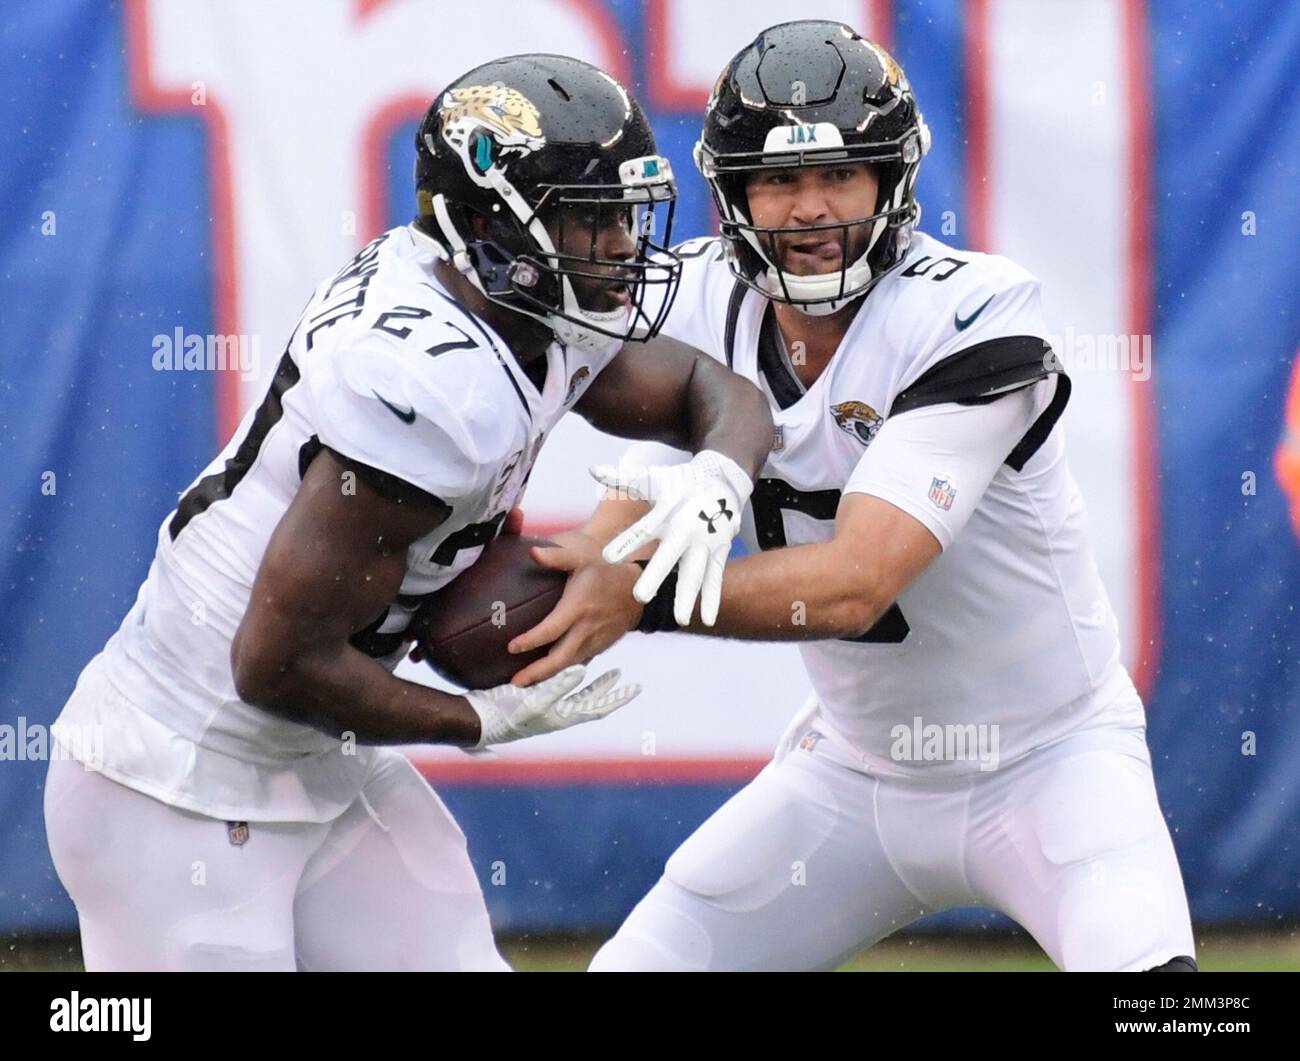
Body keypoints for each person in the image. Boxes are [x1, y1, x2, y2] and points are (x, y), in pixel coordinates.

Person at [43, 54, 772, 972]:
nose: (623, 244)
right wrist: (477, 721)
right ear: (485, 224)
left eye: (625, 214)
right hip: (177, 779)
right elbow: (274, 663)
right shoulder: (432, 382)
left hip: (319, 763)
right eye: (591, 220)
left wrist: (717, 480)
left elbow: (715, 387)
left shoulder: (514, 297)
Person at [507, 22, 1197, 972]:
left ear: (892, 182)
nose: (810, 209)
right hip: (852, 775)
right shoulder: (701, 298)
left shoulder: (973, 313)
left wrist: (636, 594)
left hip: (1052, 762)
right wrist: (582, 559)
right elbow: (651, 476)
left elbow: (855, 582)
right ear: (735, 193)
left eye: (841, 175)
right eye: (779, 181)